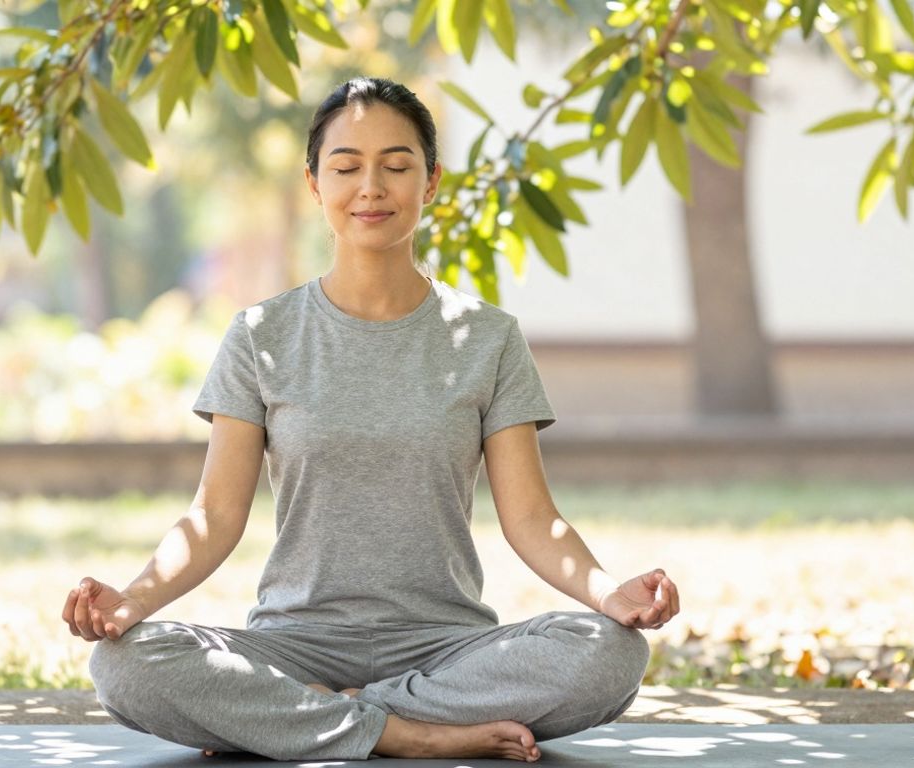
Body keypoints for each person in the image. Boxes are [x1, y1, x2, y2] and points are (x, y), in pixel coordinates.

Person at [61, 76, 680, 762]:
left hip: (446, 650)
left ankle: (311, 720)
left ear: (432, 180)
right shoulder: (261, 333)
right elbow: (214, 518)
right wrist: (131, 600)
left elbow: (533, 519)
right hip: (293, 646)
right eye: (347, 167)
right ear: (314, 184)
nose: (371, 187)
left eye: (396, 165)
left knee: (609, 655)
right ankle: (404, 734)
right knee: (125, 665)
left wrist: (606, 592)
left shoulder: (488, 338)